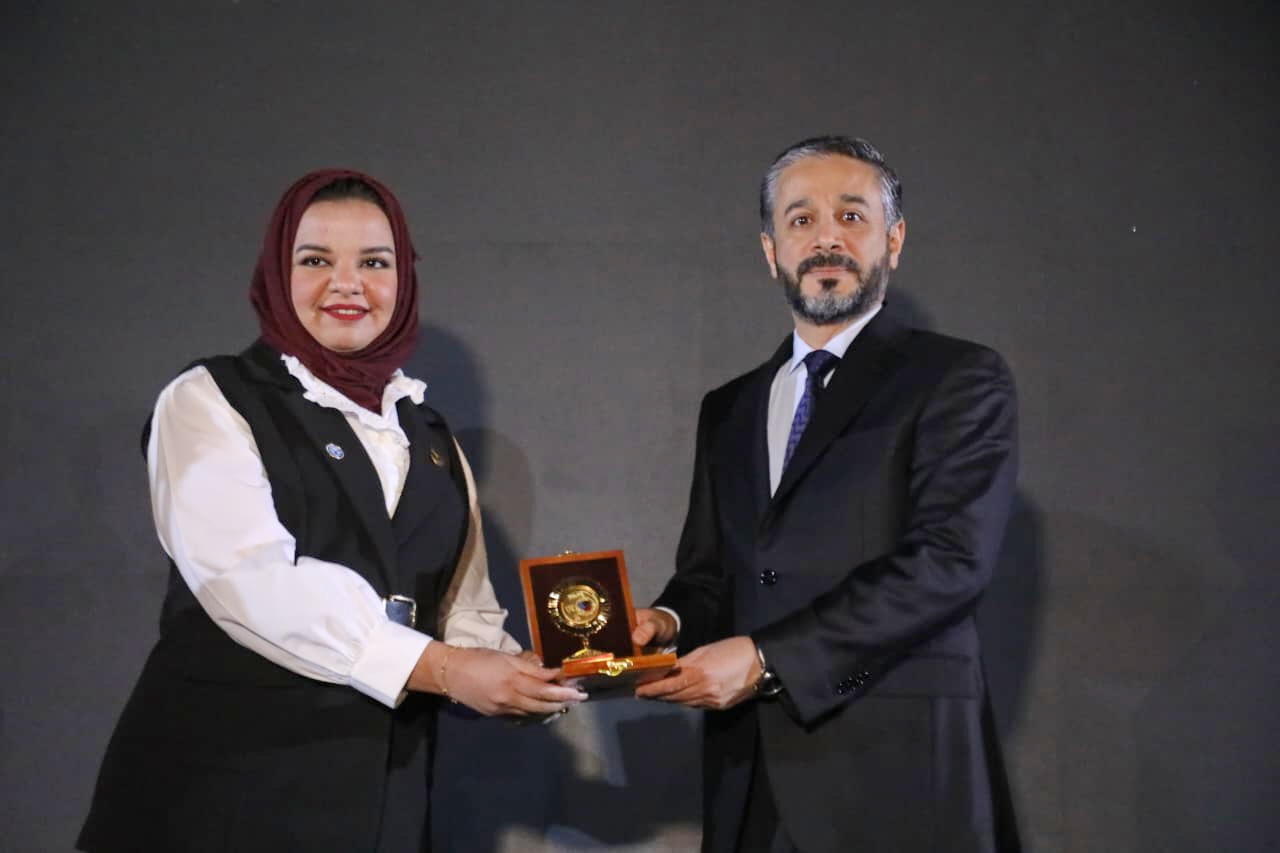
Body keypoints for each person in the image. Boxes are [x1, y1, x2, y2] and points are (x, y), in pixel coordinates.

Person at [78, 169, 586, 853]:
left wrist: (544, 678)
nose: (347, 285)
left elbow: (463, 612)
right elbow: (250, 580)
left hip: (382, 799)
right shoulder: (209, 398)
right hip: (220, 793)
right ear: (275, 273)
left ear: (403, 280)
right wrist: (445, 669)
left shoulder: (430, 436)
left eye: (374, 263)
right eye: (315, 260)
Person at [633, 136, 1021, 852]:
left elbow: (949, 560)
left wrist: (765, 658)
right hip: (750, 774)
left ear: (893, 240)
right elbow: (713, 573)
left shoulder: (956, 378)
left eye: (851, 216)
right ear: (771, 251)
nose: (826, 239)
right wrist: (665, 621)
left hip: (896, 769)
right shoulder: (731, 408)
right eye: (801, 219)